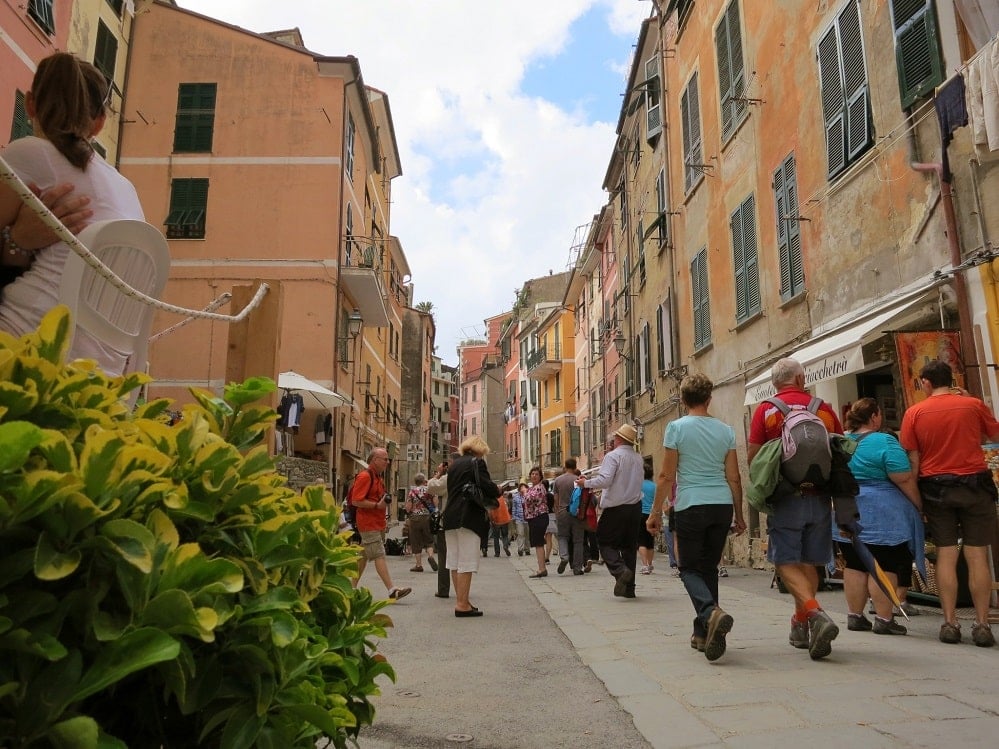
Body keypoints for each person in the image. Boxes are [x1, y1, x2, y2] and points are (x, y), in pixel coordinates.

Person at [0, 53, 145, 375]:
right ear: (99, 122)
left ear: (30, 104)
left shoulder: (28, 152)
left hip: (30, 336)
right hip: (103, 365)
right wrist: (19, 241)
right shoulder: (125, 188)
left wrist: (15, 240)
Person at [747, 358, 844, 661]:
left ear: (775, 383)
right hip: (819, 498)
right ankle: (800, 625)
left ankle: (815, 614)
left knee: (785, 561)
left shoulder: (766, 410)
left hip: (787, 498)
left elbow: (754, 457)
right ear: (801, 378)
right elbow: (840, 448)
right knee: (810, 563)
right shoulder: (824, 409)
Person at [899, 360, 999, 647]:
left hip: (936, 489)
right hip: (975, 485)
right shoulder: (972, 404)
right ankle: (981, 625)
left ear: (926, 383)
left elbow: (913, 461)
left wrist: (916, 499)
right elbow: (994, 435)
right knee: (977, 554)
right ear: (950, 380)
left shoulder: (914, 413)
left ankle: (950, 622)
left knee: (945, 554)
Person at [649, 374, 746, 661]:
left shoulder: (676, 428)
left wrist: (654, 512)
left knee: (689, 568)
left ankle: (710, 612)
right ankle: (703, 633)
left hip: (691, 503)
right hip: (721, 505)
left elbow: (667, 475)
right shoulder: (725, 430)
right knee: (708, 569)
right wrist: (739, 515)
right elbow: (735, 477)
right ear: (709, 398)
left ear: (682, 400)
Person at [834, 398, 924, 636]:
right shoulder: (884, 440)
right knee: (885, 563)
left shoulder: (842, 440)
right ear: (874, 416)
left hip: (847, 508)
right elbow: (902, 477)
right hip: (882, 512)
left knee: (854, 563)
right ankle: (884, 619)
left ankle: (855, 616)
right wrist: (918, 506)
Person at [576, 423, 645, 598]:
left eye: (615, 438)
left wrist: (586, 483)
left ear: (619, 439)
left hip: (616, 507)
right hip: (635, 506)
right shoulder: (638, 458)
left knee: (604, 541)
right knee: (629, 547)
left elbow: (605, 480)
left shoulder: (613, 456)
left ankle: (620, 570)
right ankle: (629, 589)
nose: (613, 440)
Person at [441, 436, 500, 616]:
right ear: (479, 450)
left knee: (454, 561)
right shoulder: (477, 463)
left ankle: (463, 600)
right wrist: (497, 490)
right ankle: (461, 604)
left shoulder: (454, 466)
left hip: (450, 516)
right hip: (467, 516)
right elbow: (487, 487)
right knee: (466, 561)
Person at [350, 447, 411, 601]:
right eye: (384, 459)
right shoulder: (365, 477)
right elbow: (356, 500)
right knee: (379, 555)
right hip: (368, 523)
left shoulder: (377, 477)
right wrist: (377, 506)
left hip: (375, 523)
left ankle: (350, 589)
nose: (387, 461)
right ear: (374, 460)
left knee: (362, 557)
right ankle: (391, 590)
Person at [553, 457, 585, 575]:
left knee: (562, 537)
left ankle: (564, 556)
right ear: (575, 467)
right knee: (578, 540)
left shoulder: (558, 480)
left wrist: (557, 511)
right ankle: (577, 567)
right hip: (576, 513)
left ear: (565, 466)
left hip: (562, 511)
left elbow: (556, 499)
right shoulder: (579, 480)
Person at [428, 458, 454, 599]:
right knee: (459, 556)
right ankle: (462, 588)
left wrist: (438, 473)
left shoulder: (447, 479)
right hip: (462, 522)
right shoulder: (465, 477)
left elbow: (431, 487)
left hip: (446, 522)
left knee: (444, 556)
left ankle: (443, 589)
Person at [404, 473, 438, 573]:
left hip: (415, 518)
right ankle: (431, 556)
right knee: (429, 539)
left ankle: (419, 565)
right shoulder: (430, 490)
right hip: (427, 517)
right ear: (424, 481)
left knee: (416, 540)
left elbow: (408, 507)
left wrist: (409, 511)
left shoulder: (412, 491)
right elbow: (436, 502)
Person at [524, 467, 551, 578]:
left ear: (540, 477)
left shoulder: (539, 488)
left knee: (538, 543)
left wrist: (524, 492)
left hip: (538, 517)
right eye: (532, 474)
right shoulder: (534, 487)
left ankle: (542, 569)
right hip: (535, 517)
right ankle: (541, 568)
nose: (534, 476)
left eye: (536, 474)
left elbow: (530, 499)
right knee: (537, 543)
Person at [638, 462, 657, 575]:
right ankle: (650, 564)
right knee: (650, 541)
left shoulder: (638, 484)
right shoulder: (654, 486)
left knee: (641, 541)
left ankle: (644, 565)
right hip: (652, 514)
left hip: (640, 514)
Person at [487, 490, 512, 557]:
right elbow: (509, 508)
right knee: (505, 535)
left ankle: (497, 553)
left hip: (496, 522)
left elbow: (490, 512)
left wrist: (491, 520)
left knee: (496, 537)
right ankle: (505, 546)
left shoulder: (492, 501)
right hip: (505, 520)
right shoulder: (504, 500)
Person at [512, 481, 530, 557]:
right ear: (519, 489)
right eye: (521, 488)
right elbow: (514, 508)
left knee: (527, 535)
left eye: (524, 487)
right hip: (519, 519)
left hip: (527, 519)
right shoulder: (515, 497)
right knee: (520, 534)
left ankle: (527, 549)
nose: (522, 489)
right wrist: (514, 518)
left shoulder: (528, 496)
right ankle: (520, 549)